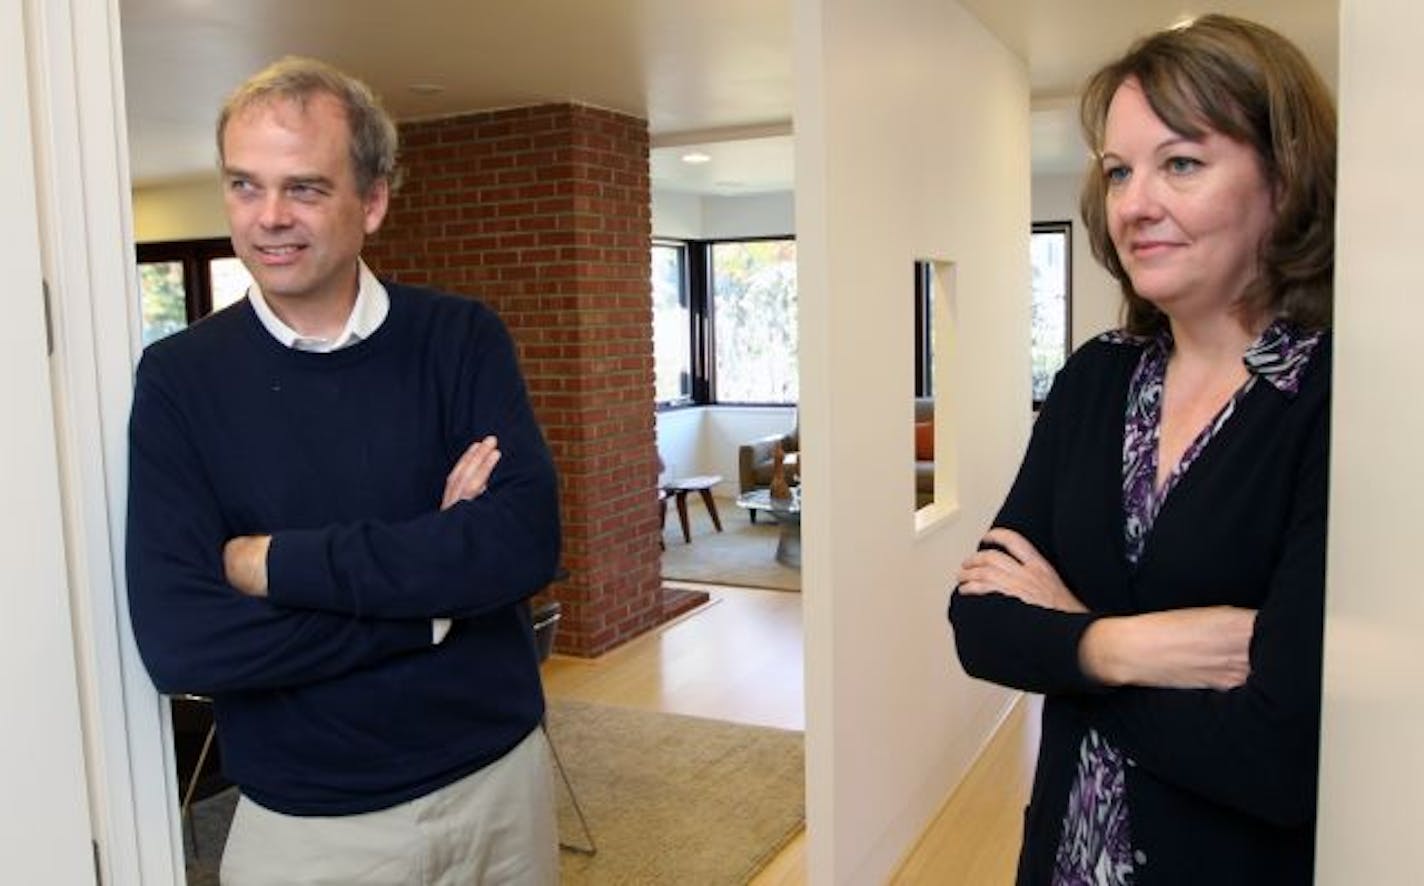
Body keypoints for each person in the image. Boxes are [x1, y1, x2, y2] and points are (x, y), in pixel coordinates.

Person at [126, 57, 562, 884]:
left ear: (372, 200)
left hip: (500, 785)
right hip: (313, 825)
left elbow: (521, 545)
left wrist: (274, 564)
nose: (269, 218)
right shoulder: (180, 380)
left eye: (305, 188)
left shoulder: (460, 338)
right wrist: (431, 599)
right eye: (245, 186)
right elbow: (185, 642)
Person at [948, 15, 1335, 885]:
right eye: (1119, 170)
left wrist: (1064, 633)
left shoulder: (1333, 401)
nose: (1134, 203)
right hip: (1060, 860)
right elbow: (980, 625)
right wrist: (1127, 647)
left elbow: (1279, 758)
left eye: (1182, 163)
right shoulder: (1096, 377)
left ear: (1286, 179)